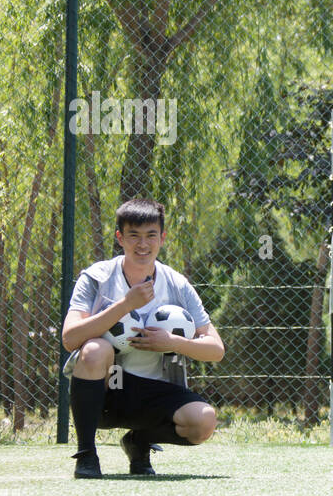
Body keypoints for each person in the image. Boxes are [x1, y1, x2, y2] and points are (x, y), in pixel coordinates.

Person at [61, 199, 224, 478]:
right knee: (96, 349)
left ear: (162, 238)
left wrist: (173, 343)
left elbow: (216, 349)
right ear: (120, 238)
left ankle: (139, 442)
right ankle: (86, 454)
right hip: (104, 393)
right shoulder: (97, 277)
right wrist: (124, 305)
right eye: (133, 235)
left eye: (150, 235)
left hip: (153, 393)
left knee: (204, 421)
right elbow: (69, 337)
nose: (142, 244)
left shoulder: (176, 284)